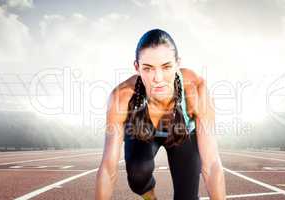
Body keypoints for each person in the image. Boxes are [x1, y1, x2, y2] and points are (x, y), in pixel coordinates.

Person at [95, 29, 226, 200]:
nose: (158, 78)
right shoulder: (122, 97)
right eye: (148, 68)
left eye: (166, 67)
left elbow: (212, 164)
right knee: (137, 175)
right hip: (143, 130)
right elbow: (108, 168)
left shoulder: (196, 90)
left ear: (177, 63)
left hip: (183, 134)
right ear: (137, 68)